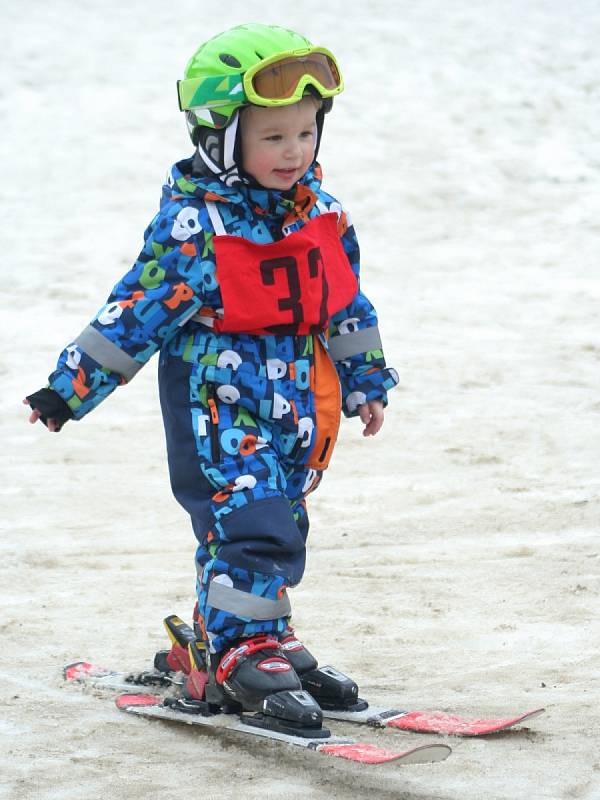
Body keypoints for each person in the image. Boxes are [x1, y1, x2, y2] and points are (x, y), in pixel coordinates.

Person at [24, 23, 398, 718]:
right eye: (273, 137)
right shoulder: (199, 226)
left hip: (299, 407)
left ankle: (249, 635)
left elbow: (346, 304)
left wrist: (367, 380)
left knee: (278, 522)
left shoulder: (324, 215)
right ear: (221, 139)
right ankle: (241, 652)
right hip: (219, 409)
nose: (294, 152)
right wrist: (68, 388)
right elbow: (135, 311)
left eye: (306, 133)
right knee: (254, 523)